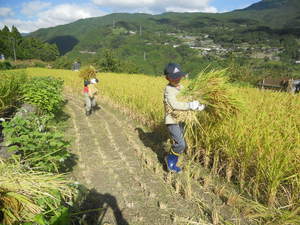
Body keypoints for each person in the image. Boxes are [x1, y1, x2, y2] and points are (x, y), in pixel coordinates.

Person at [163, 63, 205, 173]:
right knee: (181, 144)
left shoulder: (182, 88)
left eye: (178, 77)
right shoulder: (168, 90)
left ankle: (172, 159)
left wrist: (198, 105)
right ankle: (170, 161)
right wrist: (189, 105)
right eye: (174, 78)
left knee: (179, 142)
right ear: (168, 78)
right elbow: (174, 104)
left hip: (181, 120)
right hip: (172, 120)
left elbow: (188, 98)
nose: (177, 80)